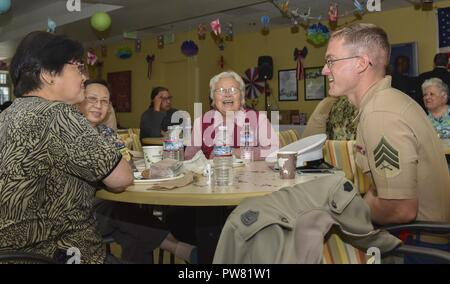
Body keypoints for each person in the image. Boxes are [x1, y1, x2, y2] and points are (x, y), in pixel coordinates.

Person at [0, 31, 133, 264]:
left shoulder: (7, 115)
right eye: (78, 67)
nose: (84, 76)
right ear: (49, 74)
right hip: (58, 254)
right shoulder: (56, 114)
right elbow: (121, 177)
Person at [321, 23, 449, 228]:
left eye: (331, 61)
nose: (324, 70)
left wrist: (350, 211)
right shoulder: (387, 102)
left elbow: (401, 209)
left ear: (361, 64)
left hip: (417, 244)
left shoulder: (380, 114)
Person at [77, 79, 196, 264]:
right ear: (79, 101)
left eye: (105, 101)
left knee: (132, 230)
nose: (98, 105)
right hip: (76, 214)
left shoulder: (106, 133)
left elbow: (127, 165)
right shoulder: (70, 133)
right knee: (121, 213)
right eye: (92, 99)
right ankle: (177, 246)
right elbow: (117, 176)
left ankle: (178, 246)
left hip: (102, 204)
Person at [184, 71, 277, 160]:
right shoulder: (200, 122)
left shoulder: (259, 119)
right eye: (221, 90)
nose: (227, 94)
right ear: (213, 97)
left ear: (241, 97)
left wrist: (234, 152)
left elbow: (275, 149)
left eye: (233, 90)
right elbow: (189, 158)